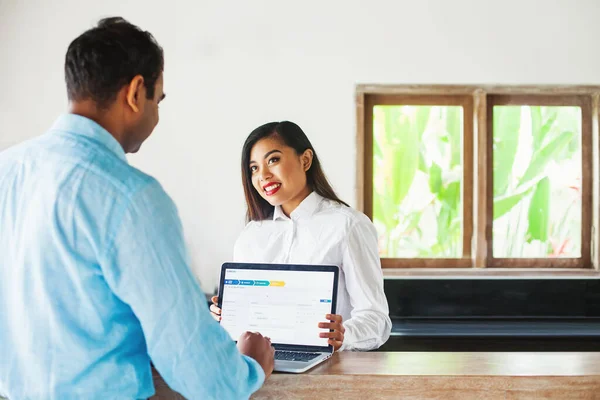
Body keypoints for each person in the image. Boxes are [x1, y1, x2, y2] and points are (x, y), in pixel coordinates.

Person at [0, 17, 273, 400]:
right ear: (135, 92)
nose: (156, 116)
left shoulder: (7, 169)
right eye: (157, 100)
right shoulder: (131, 197)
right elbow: (197, 366)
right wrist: (250, 366)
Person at [211, 121, 391, 351]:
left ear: (305, 160)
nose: (263, 175)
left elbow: (377, 320)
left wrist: (344, 335)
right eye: (254, 168)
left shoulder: (348, 225)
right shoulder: (251, 235)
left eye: (273, 160)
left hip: (326, 372)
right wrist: (227, 316)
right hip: (257, 370)